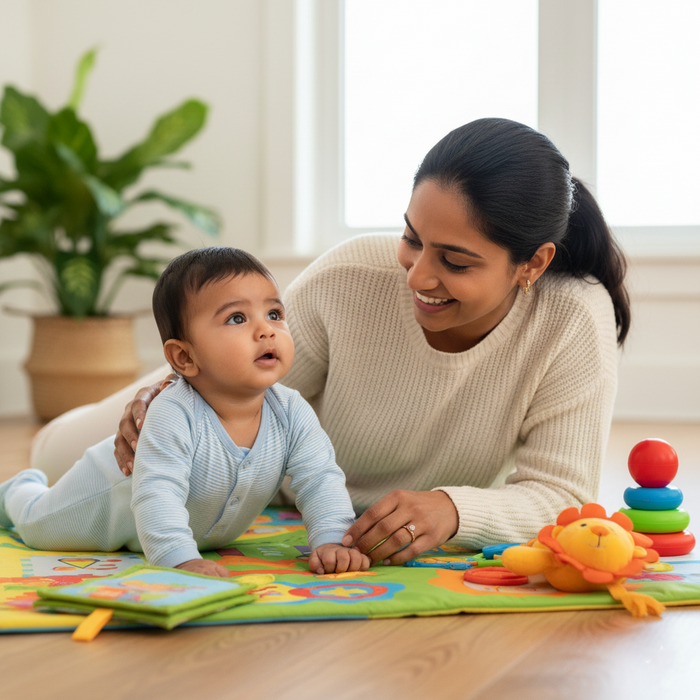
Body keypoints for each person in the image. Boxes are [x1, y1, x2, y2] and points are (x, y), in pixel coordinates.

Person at [30, 118, 629, 569]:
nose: (418, 275)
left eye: (454, 260)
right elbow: (244, 373)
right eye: (412, 238)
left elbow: (562, 494)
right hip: (211, 414)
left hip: (285, 491)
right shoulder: (351, 280)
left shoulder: (572, 320)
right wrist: (164, 400)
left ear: (533, 263)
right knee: (56, 459)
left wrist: (450, 508)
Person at [4, 248, 370, 577]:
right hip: (103, 497)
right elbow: (156, 492)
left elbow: (320, 478)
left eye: (274, 313)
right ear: (184, 357)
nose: (266, 330)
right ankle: (17, 490)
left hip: (201, 530)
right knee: (37, 523)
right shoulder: (174, 412)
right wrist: (177, 557)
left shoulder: (292, 411)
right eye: (237, 319)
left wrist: (332, 539)